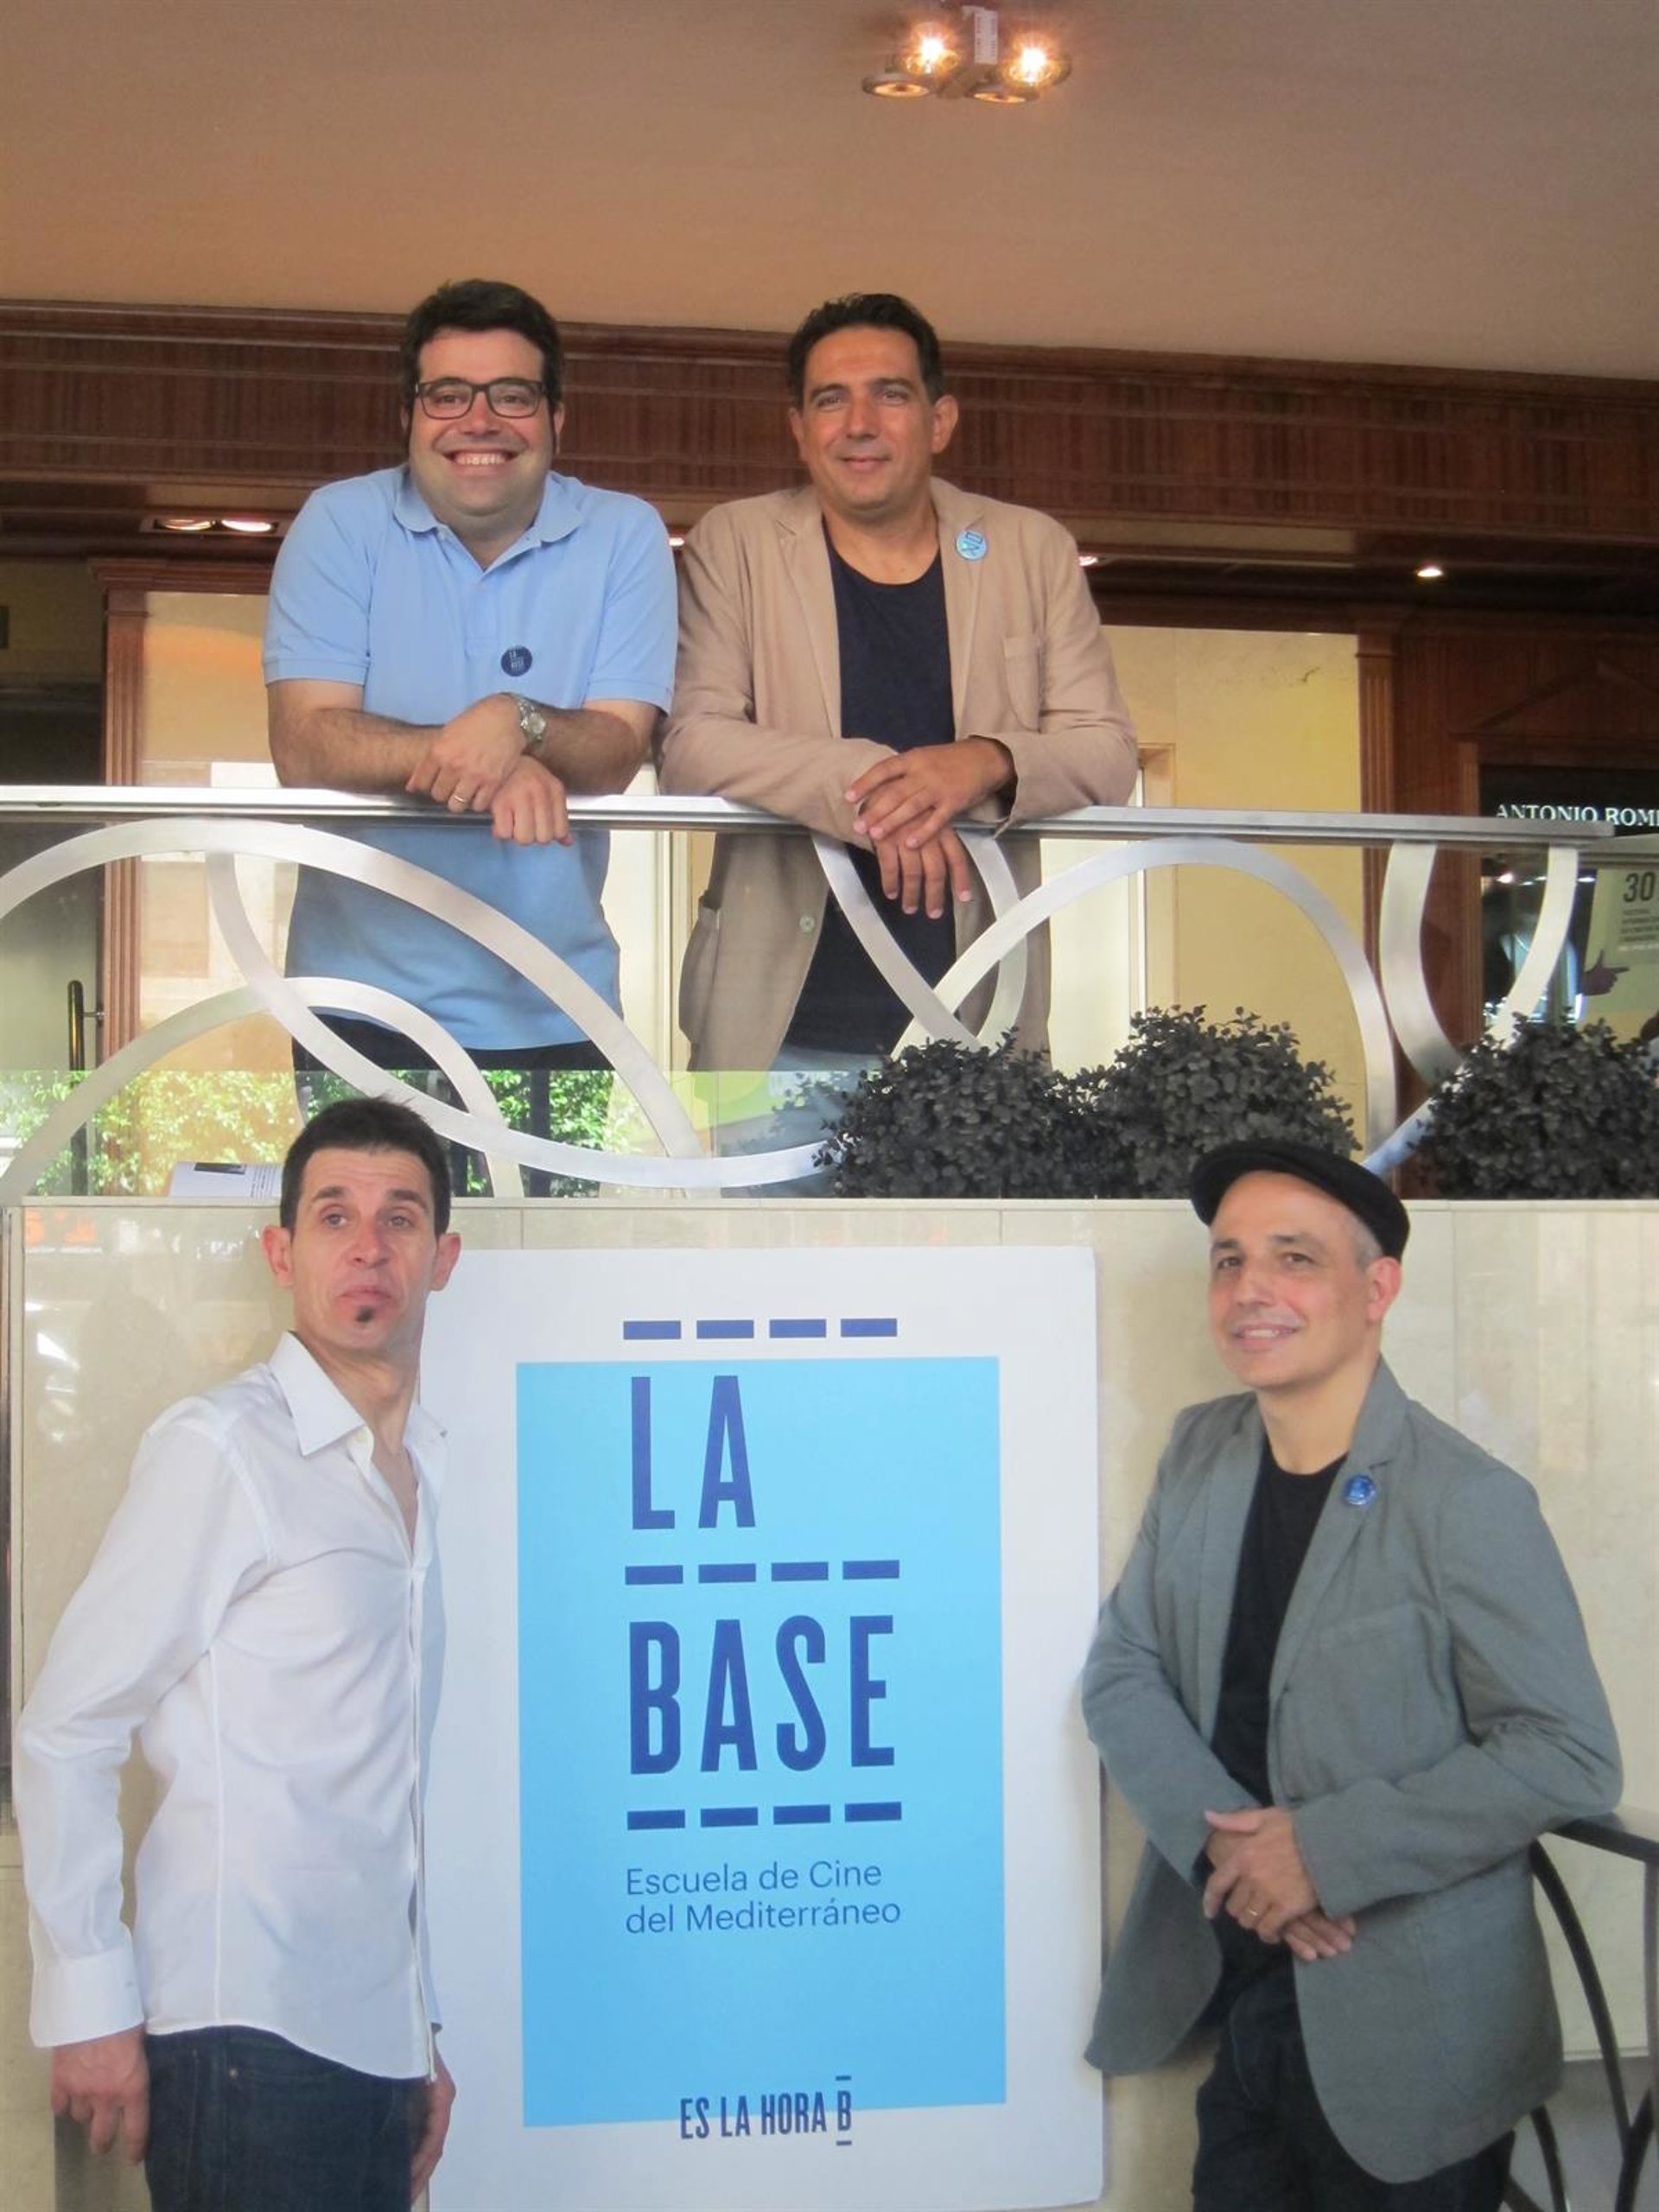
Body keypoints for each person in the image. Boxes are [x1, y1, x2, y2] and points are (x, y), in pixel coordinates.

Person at [1082, 1139, 1621, 2210]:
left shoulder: (1465, 1499)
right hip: (1242, 2003)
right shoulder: (1199, 1452)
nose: (1251, 1289)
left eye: (1294, 1258)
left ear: (1378, 1290)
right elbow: (1122, 1670)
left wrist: (1322, 1853)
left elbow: (1568, 1754)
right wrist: (1237, 1855)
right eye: (1229, 1260)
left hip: (1418, 2046)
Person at [16, 1096, 463, 2211]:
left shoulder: (417, 1473)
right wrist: (90, 2004)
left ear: (443, 1259)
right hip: (244, 2045)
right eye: (334, 1216)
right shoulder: (224, 1447)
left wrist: (419, 2029)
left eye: (401, 1218)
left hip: (372, 2048)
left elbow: (379, 1798)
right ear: (280, 1253)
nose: (368, 1247)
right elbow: (68, 1726)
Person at [658, 290, 1138, 1140]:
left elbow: (1106, 750)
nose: (859, 424)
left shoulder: (1030, 549)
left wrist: (983, 761)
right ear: (799, 429)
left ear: (940, 419)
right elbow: (691, 743)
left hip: (977, 1031)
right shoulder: (735, 543)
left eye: (890, 394)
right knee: (756, 1237)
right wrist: (871, 782)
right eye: (829, 400)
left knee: (984, 1235)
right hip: (771, 1036)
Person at [265, 276, 677, 1084]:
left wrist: (517, 719)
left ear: (557, 418)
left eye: (512, 395)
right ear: (409, 416)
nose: (478, 421)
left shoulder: (625, 534)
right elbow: (305, 746)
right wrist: (493, 759)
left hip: (561, 1005)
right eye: (447, 395)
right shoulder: (339, 523)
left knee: (556, 1189)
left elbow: (616, 753)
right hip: (358, 1009)